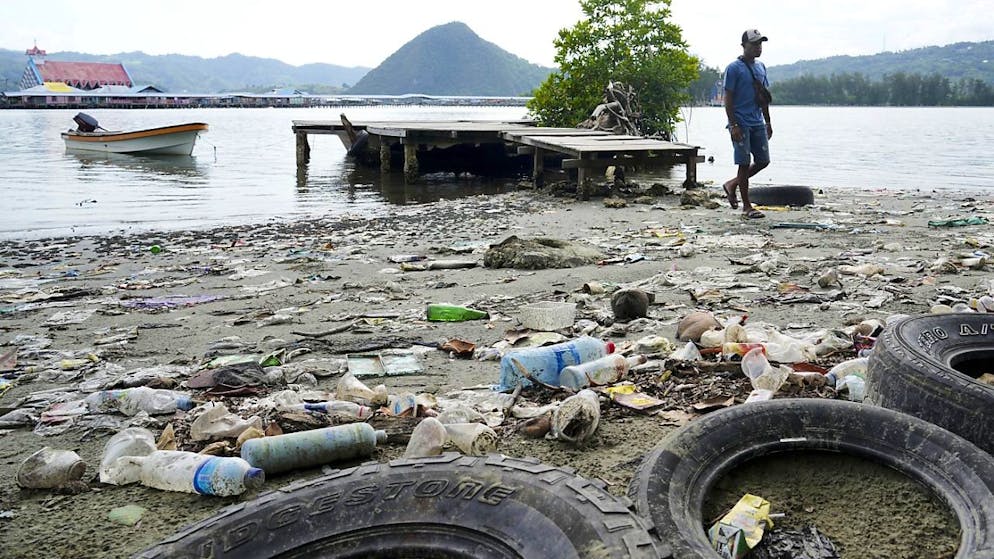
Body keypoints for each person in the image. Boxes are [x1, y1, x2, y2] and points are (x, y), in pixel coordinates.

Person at [722, 29, 772, 219]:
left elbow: (763, 97)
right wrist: (733, 124)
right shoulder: (733, 68)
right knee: (743, 163)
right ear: (744, 46)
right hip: (740, 122)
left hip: (757, 120)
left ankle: (732, 184)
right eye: (754, 44)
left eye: (760, 44)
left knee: (763, 161)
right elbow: (728, 98)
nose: (758, 47)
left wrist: (768, 121)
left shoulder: (761, 68)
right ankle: (747, 206)